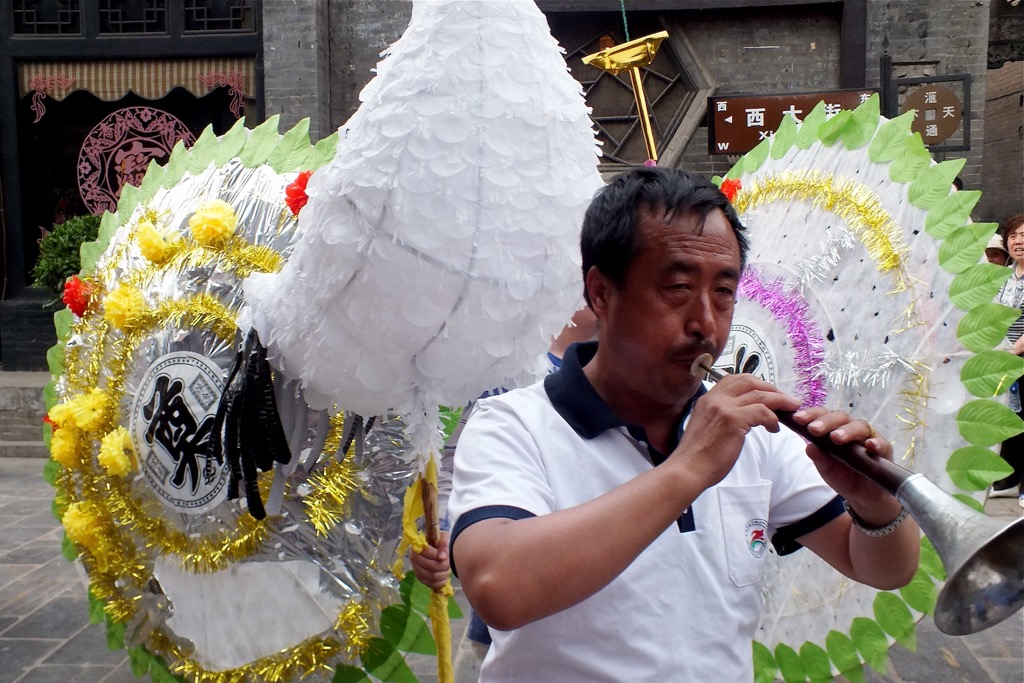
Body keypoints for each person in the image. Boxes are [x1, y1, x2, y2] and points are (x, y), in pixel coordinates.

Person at [445, 167, 920, 682]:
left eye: (723, 292)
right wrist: (689, 467)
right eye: (676, 287)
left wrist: (877, 507)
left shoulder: (756, 433)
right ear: (601, 292)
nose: (706, 323)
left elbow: (883, 568)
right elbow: (498, 588)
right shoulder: (513, 424)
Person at [409, 307, 600, 646]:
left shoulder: (623, 376)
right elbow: (456, 464)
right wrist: (441, 535)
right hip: (513, 624)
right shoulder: (509, 370)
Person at [991, 214, 1024, 506]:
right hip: (1005, 356)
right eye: (1014, 236)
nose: (1019, 241)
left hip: (1019, 355)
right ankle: (1008, 478)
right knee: (1008, 419)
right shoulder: (1003, 277)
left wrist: (1016, 348)